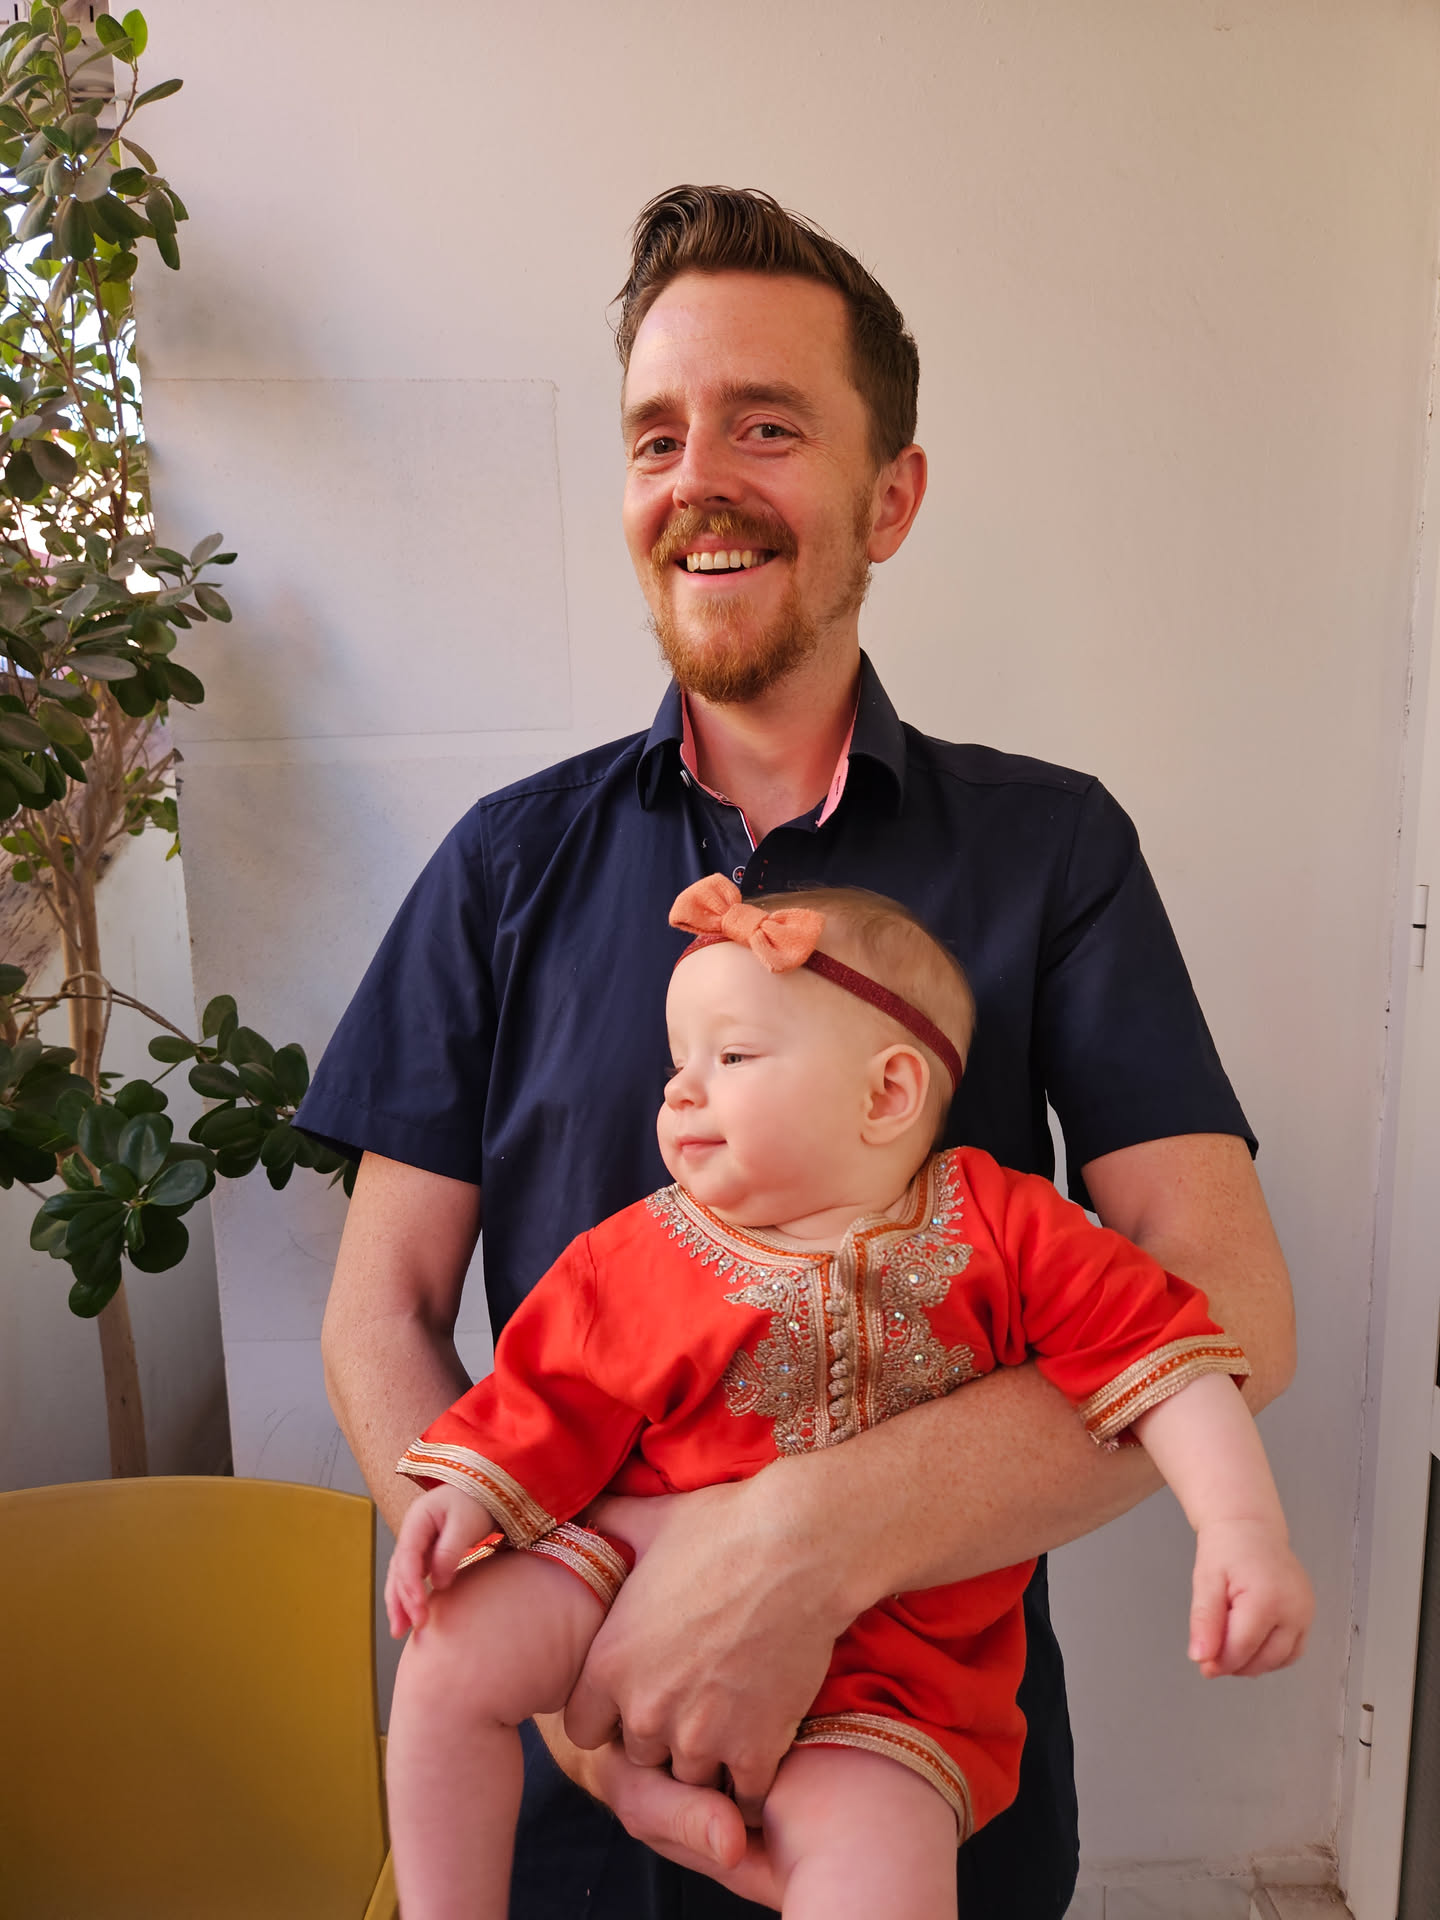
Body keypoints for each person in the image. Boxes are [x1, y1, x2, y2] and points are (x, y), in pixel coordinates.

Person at [298, 184, 1297, 1920]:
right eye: (657, 437)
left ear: (889, 497)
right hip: (573, 1821)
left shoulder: (1055, 851)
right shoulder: (501, 866)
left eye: (766, 426)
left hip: (920, 1778)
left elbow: (1232, 1310)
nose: (698, 479)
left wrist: (798, 1544)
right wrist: (567, 1683)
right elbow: (377, 1314)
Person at [380, 883, 1312, 1920]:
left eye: (731, 1057)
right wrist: (461, 1503)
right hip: (629, 1581)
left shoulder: (1011, 1228)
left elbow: (1167, 1355)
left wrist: (1240, 1529)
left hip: (901, 1672)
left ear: (886, 1094)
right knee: (449, 1655)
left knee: (880, 1853)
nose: (681, 1092)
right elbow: (538, 1404)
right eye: (677, 1063)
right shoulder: (630, 1253)